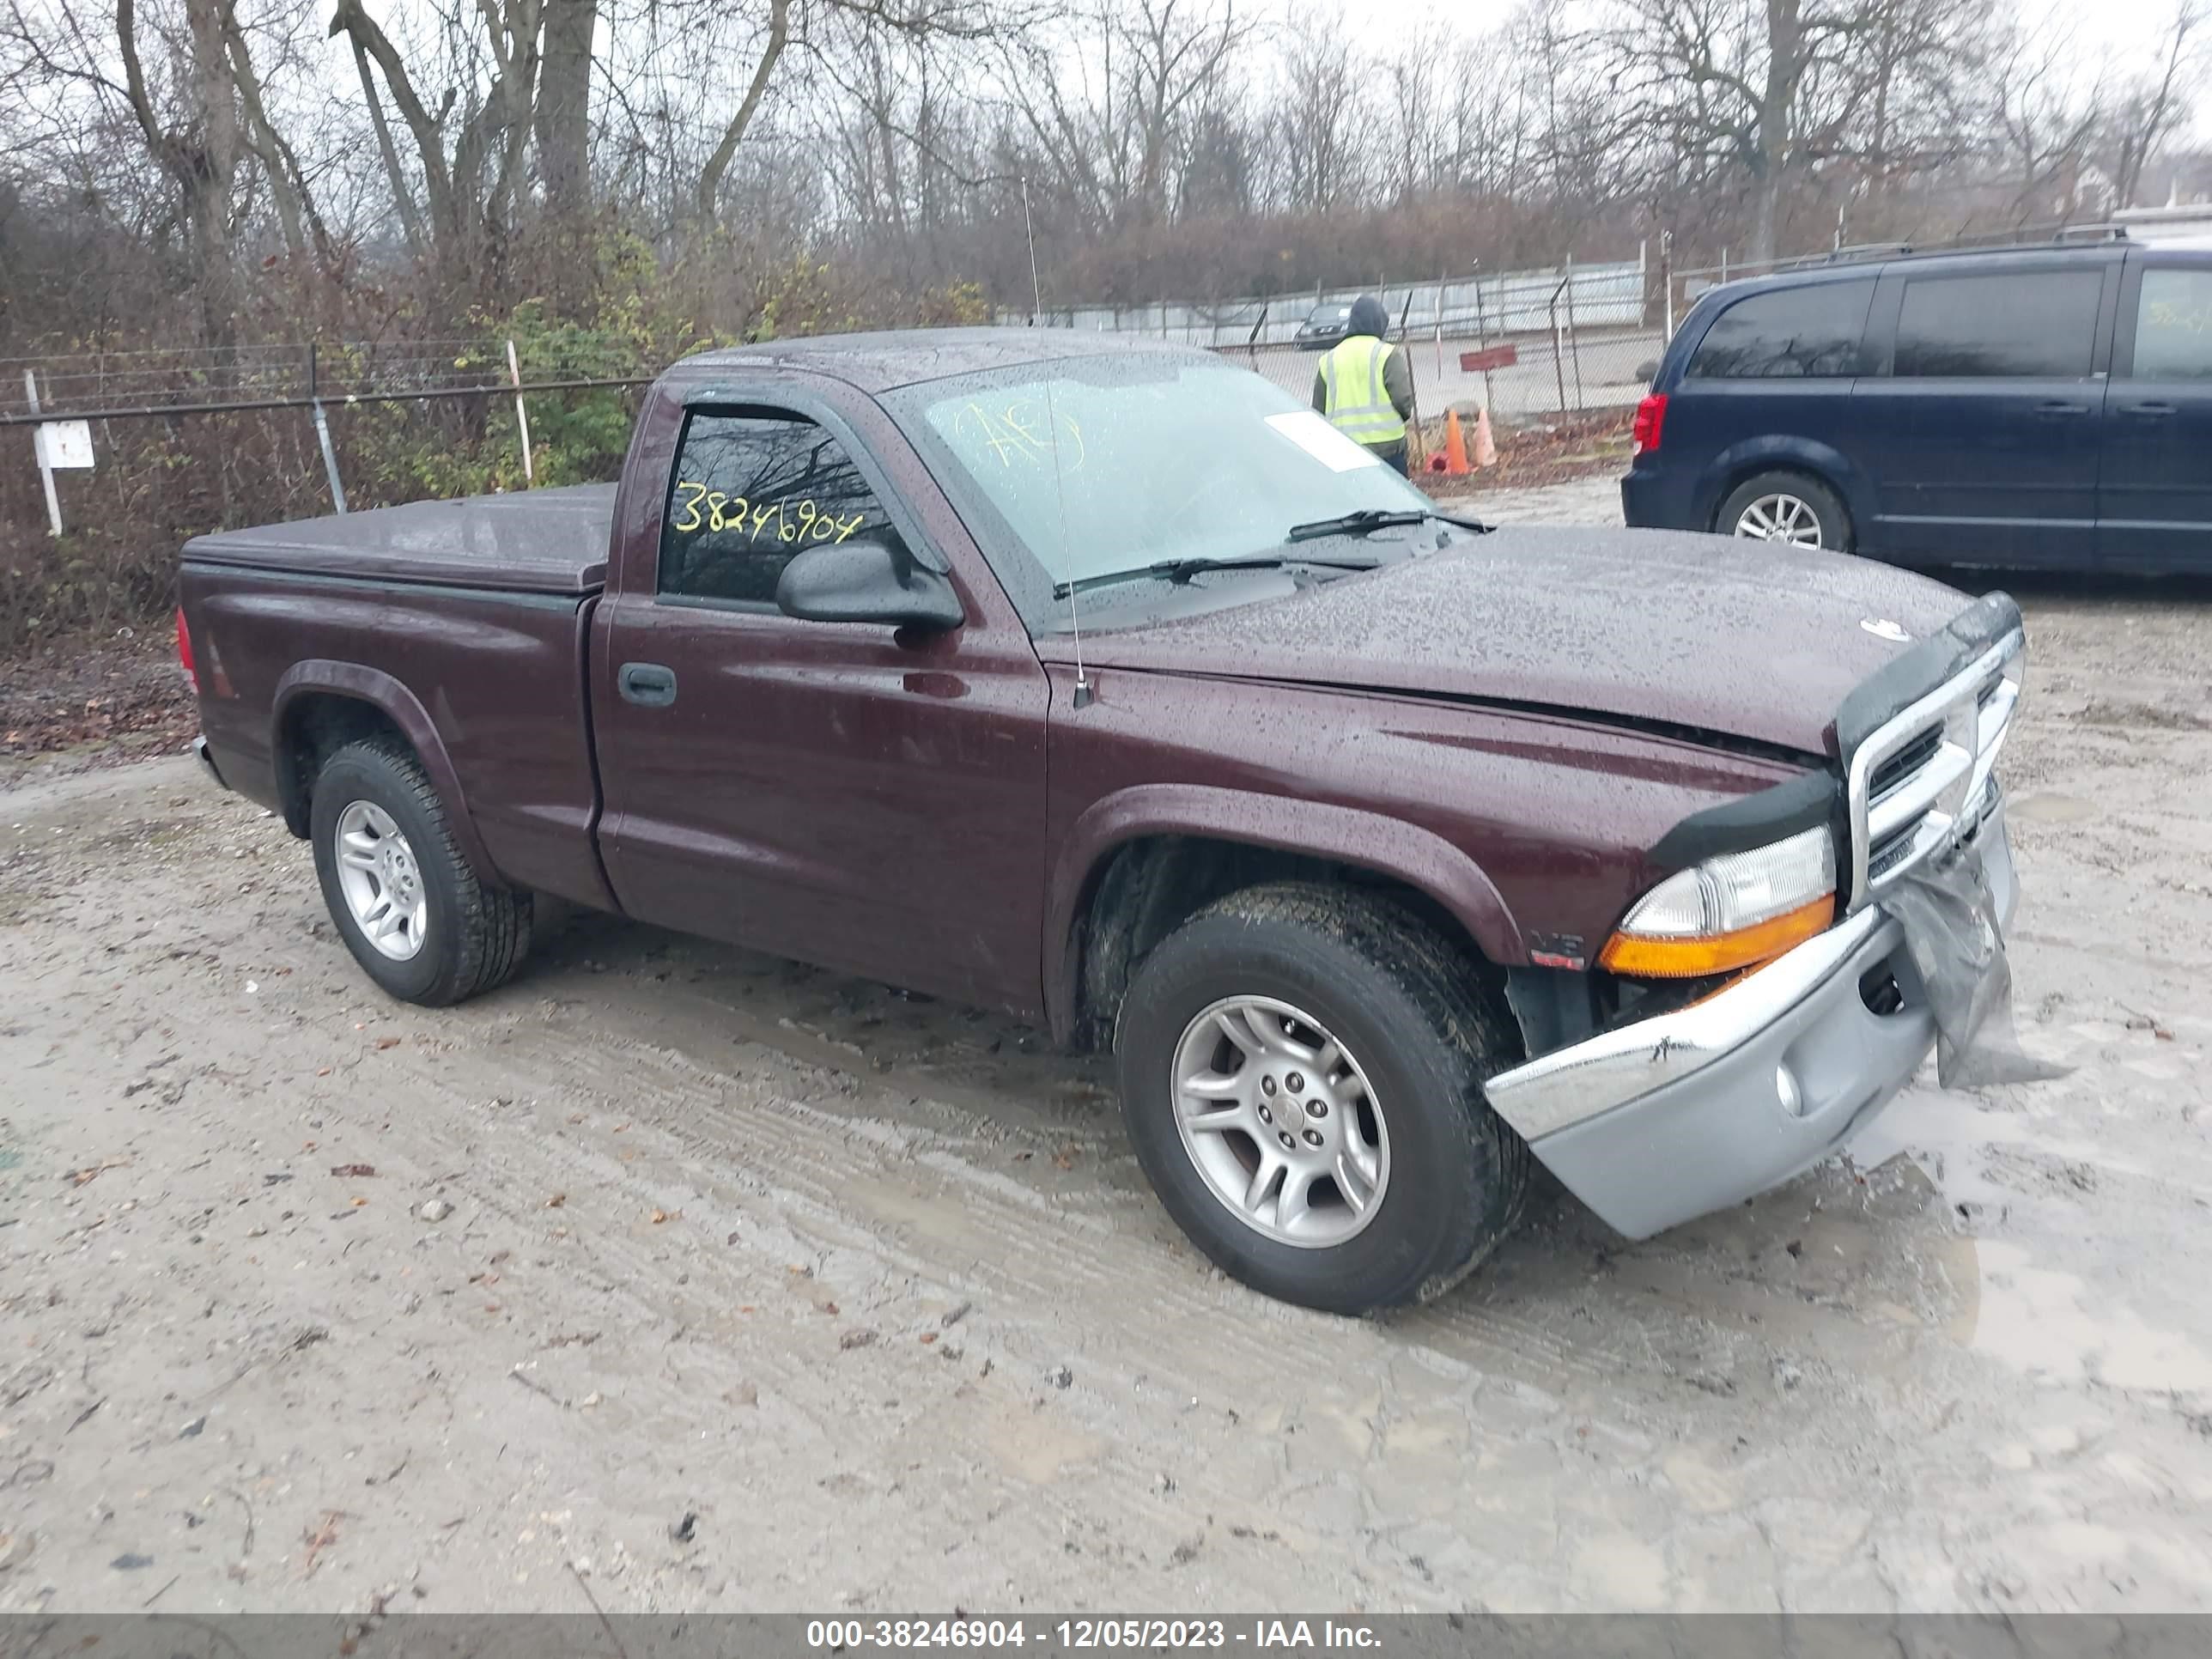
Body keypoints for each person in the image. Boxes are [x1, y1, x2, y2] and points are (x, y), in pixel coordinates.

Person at [1311, 294, 1414, 474]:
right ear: (1379, 323)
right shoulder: (1387, 354)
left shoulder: (1328, 360)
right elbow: (1403, 401)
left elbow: (1317, 411)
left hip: (1343, 452)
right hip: (1388, 451)